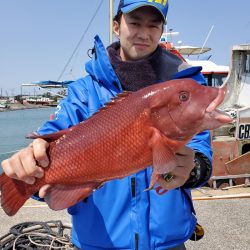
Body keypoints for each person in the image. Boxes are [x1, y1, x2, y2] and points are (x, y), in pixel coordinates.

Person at [1, 0, 212, 249]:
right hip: (98, 242)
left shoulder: (183, 87)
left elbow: (201, 151)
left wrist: (193, 168)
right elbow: (49, 143)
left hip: (168, 242)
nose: (144, 33)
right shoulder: (82, 92)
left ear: (161, 31)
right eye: (134, 23)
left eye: (154, 25)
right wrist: (30, 169)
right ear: (116, 26)